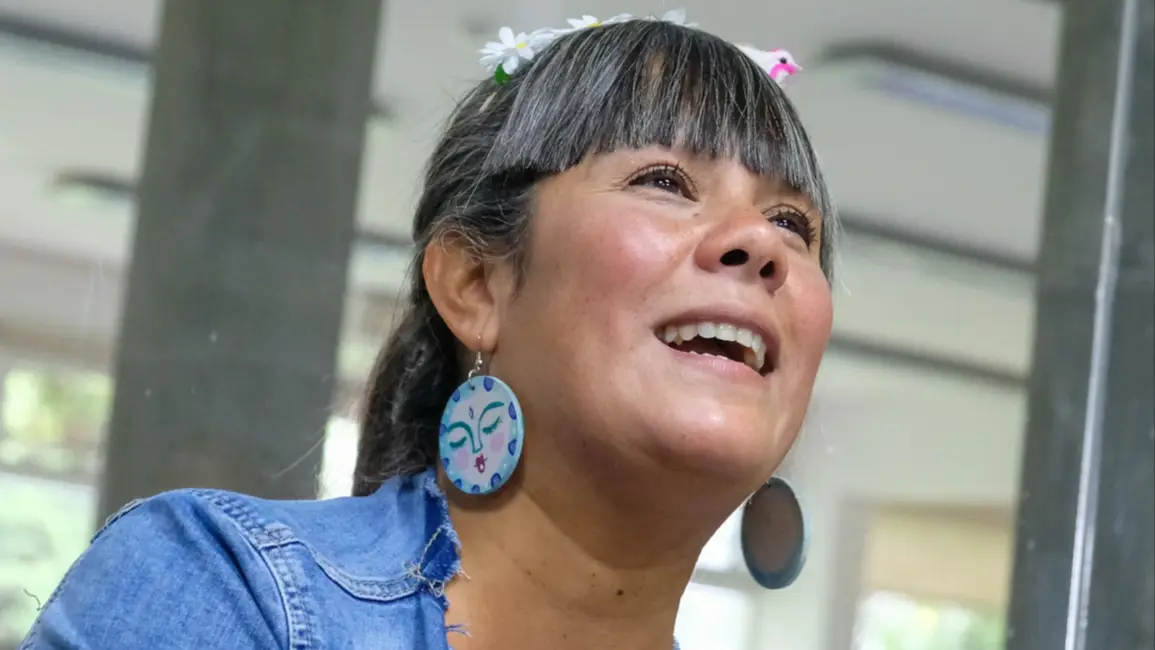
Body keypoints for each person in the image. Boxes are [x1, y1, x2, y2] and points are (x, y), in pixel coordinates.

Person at [20, 11, 835, 650]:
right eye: (664, 181)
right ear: (475, 285)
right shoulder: (224, 585)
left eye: (792, 224)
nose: (759, 241)